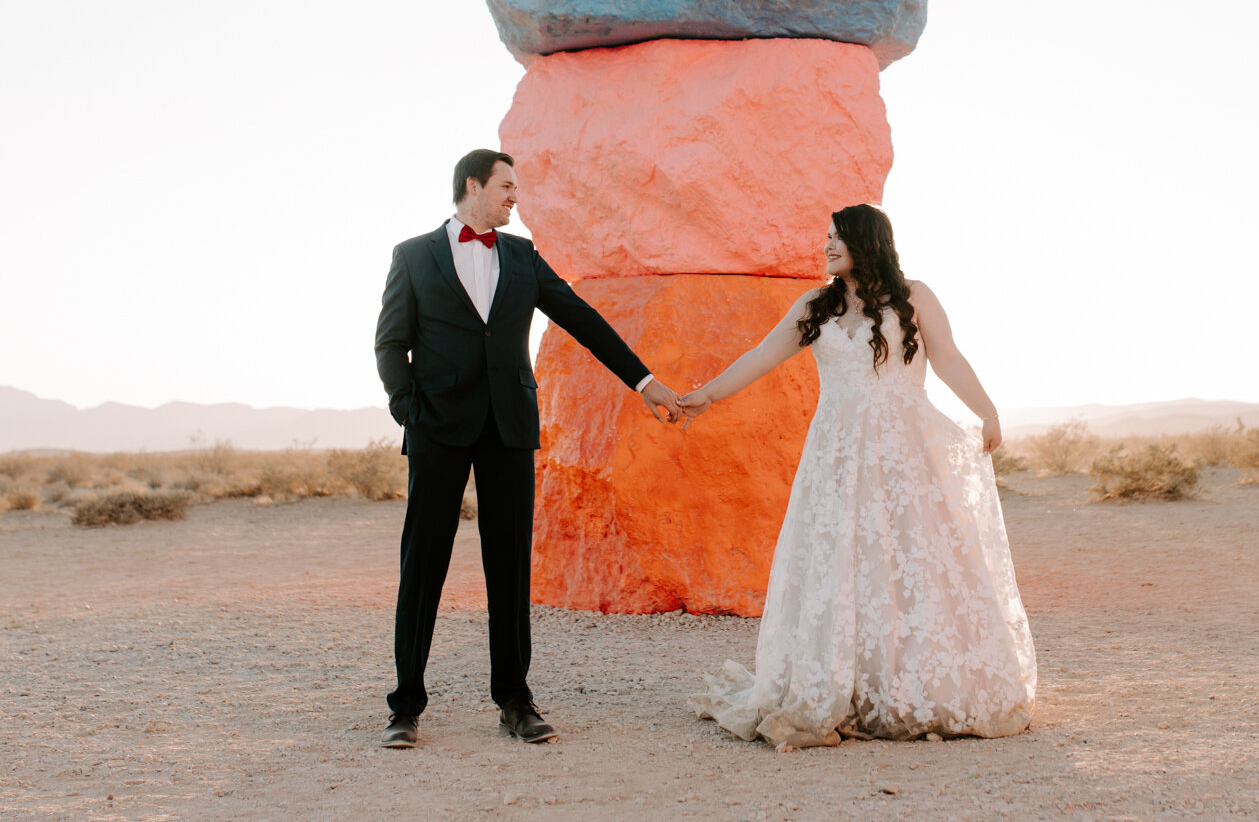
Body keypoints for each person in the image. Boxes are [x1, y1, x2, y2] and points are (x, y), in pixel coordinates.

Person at [679, 203, 1038, 748]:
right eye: (825, 237)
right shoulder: (816, 305)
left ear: (866, 240)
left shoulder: (915, 296)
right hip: (838, 453)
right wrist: (706, 395)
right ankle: (843, 678)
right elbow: (761, 355)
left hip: (905, 449)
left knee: (911, 557)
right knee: (843, 558)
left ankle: (916, 682)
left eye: (836, 237)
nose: (826, 246)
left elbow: (947, 357)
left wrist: (986, 410)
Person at [374, 148, 685, 749]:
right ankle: (405, 704)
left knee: (510, 567)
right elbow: (390, 343)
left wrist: (646, 383)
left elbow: (580, 318)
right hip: (437, 428)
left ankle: (515, 700)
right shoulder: (413, 256)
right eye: (507, 186)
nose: (516, 197)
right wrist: (410, 410)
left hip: (509, 427)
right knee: (423, 564)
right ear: (473, 184)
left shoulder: (520, 255)